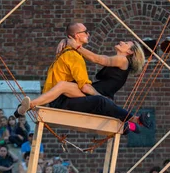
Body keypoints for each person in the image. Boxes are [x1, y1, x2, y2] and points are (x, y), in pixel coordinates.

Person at [15, 23, 149, 134]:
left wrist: (75, 45)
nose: (121, 42)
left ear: (130, 52)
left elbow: (97, 59)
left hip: (99, 94)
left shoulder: (122, 60)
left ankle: (134, 121)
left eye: (125, 43)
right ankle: (28, 106)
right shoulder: (119, 60)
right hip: (96, 93)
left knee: (67, 87)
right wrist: (67, 41)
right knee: (63, 85)